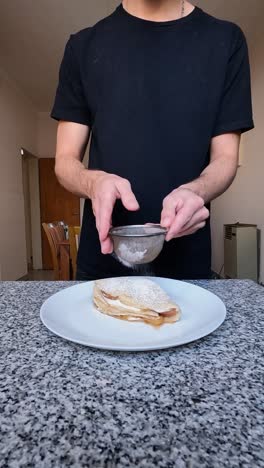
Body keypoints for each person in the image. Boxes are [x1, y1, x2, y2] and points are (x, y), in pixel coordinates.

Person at [51, 0, 254, 281]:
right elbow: (64, 161)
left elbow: (226, 158)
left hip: (187, 267)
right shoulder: (83, 46)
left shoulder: (226, 40)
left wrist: (196, 192)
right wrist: (93, 182)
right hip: (102, 264)